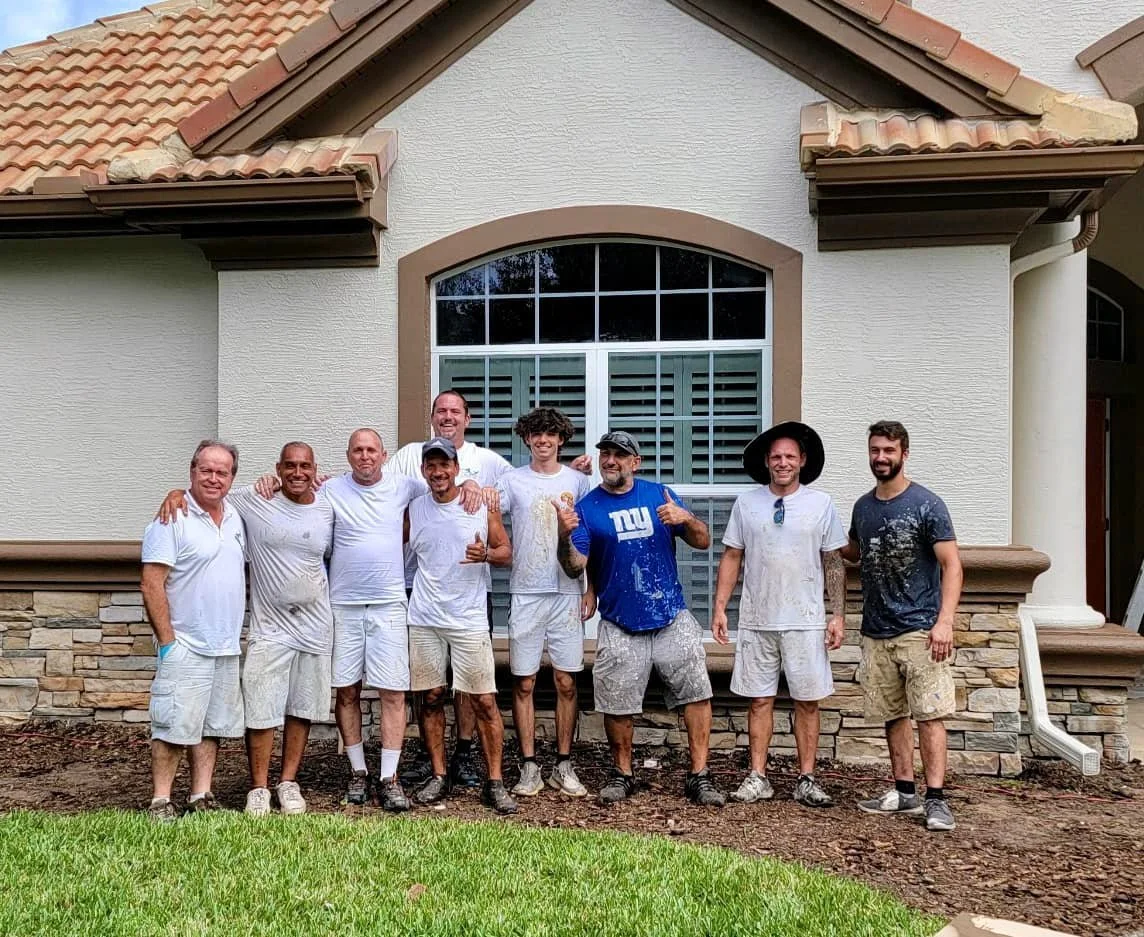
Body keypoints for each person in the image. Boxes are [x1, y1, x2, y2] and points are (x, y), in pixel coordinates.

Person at [157, 442, 335, 817]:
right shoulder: (253, 500)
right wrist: (176, 493)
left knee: (301, 707)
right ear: (278, 469)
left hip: (316, 625)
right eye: (290, 465)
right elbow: (207, 494)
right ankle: (258, 787)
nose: (298, 472)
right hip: (270, 628)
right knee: (261, 707)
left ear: (315, 469)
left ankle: (288, 782)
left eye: (305, 466)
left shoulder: (328, 505)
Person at [555, 431, 726, 807]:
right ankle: (623, 774)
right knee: (617, 702)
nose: (610, 460)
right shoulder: (587, 508)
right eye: (605, 454)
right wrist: (564, 536)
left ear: (635, 462)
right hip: (620, 621)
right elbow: (574, 566)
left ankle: (699, 775)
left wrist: (686, 518)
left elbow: (703, 541)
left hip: (670, 615)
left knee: (696, 694)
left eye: (619, 454)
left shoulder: (658, 494)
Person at [712, 422, 847, 808]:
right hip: (758, 617)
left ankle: (807, 778)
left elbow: (833, 561)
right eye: (776, 457)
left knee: (808, 701)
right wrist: (720, 607)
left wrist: (837, 613)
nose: (782, 463)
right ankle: (758, 776)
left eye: (789, 456)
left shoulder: (820, 504)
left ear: (802, 461)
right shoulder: (747, 504)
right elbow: (732, 555)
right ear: (766, 462)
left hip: (806, 619)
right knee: (759, 700)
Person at [842, 420, 963, 833]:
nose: (881, 458)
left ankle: (937, 799)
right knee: (892, 714)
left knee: (930, 714)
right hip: (876, 630)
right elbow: (854, 552)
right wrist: (818, 530)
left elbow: (952, 565)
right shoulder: (863, 507)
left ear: (904, 454)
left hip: (921, 630)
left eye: (889, 451)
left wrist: (944, 622)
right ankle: (905, 791)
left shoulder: (927, 504)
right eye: (875, 450)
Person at [390, 389, 513, 788]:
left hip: (469, 614)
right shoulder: (414, 508)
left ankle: (489, 776)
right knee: (429, 696)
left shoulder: (480, 499)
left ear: (458, 467)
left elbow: (506, 549)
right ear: (423, 470)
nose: (439, 471)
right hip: (424, 613)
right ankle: (438, 771)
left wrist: (486, 555)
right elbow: (387, 536)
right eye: (432, 466)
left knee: (481, 698)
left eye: (445, 464)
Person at [141, 440, 246, 821]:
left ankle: (201, 795)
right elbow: (151, 583)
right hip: (185, 642)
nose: (214, 478)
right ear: (192, 471)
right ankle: (160, 801)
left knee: (210, 725)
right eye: (206, 470)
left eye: (222, 472)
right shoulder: (172, 518)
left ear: (232, 477)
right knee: (173, 724)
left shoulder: (235, 516)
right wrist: (168, 642)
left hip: (224, 644)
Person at [496, 408, 593, 798]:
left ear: (561, 439)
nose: (543, 441)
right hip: (525, 592)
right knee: (524, 681)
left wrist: (590, 588)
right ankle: (529, 766)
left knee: (567, 681)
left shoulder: (578, 481)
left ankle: (564, 765)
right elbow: (486, 513)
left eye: (550, 434)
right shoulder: (512, 481)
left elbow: (590, 538)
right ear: (526, 439)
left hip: (567, 592)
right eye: (536, 434)